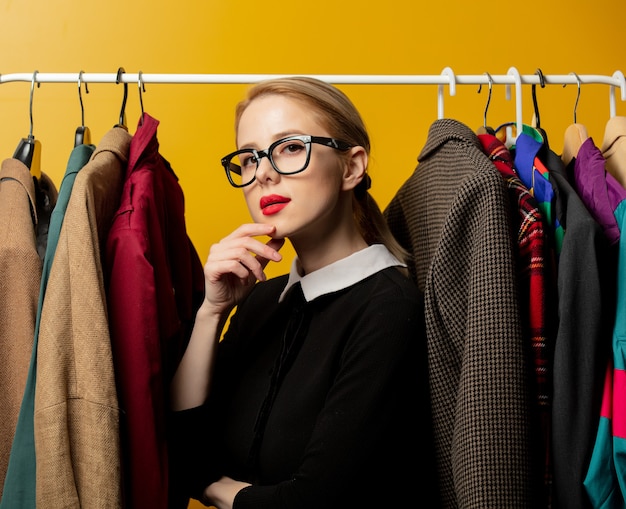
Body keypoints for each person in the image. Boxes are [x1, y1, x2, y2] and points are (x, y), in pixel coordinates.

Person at [169, 76, 438, 509]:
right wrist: (210, 312)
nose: (264, 174)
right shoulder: (260, 300)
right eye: (249, 158)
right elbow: (179, 452)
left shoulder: (389, 308)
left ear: (351, 167)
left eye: (291, 146)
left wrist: (211, 486)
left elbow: (311, 500)